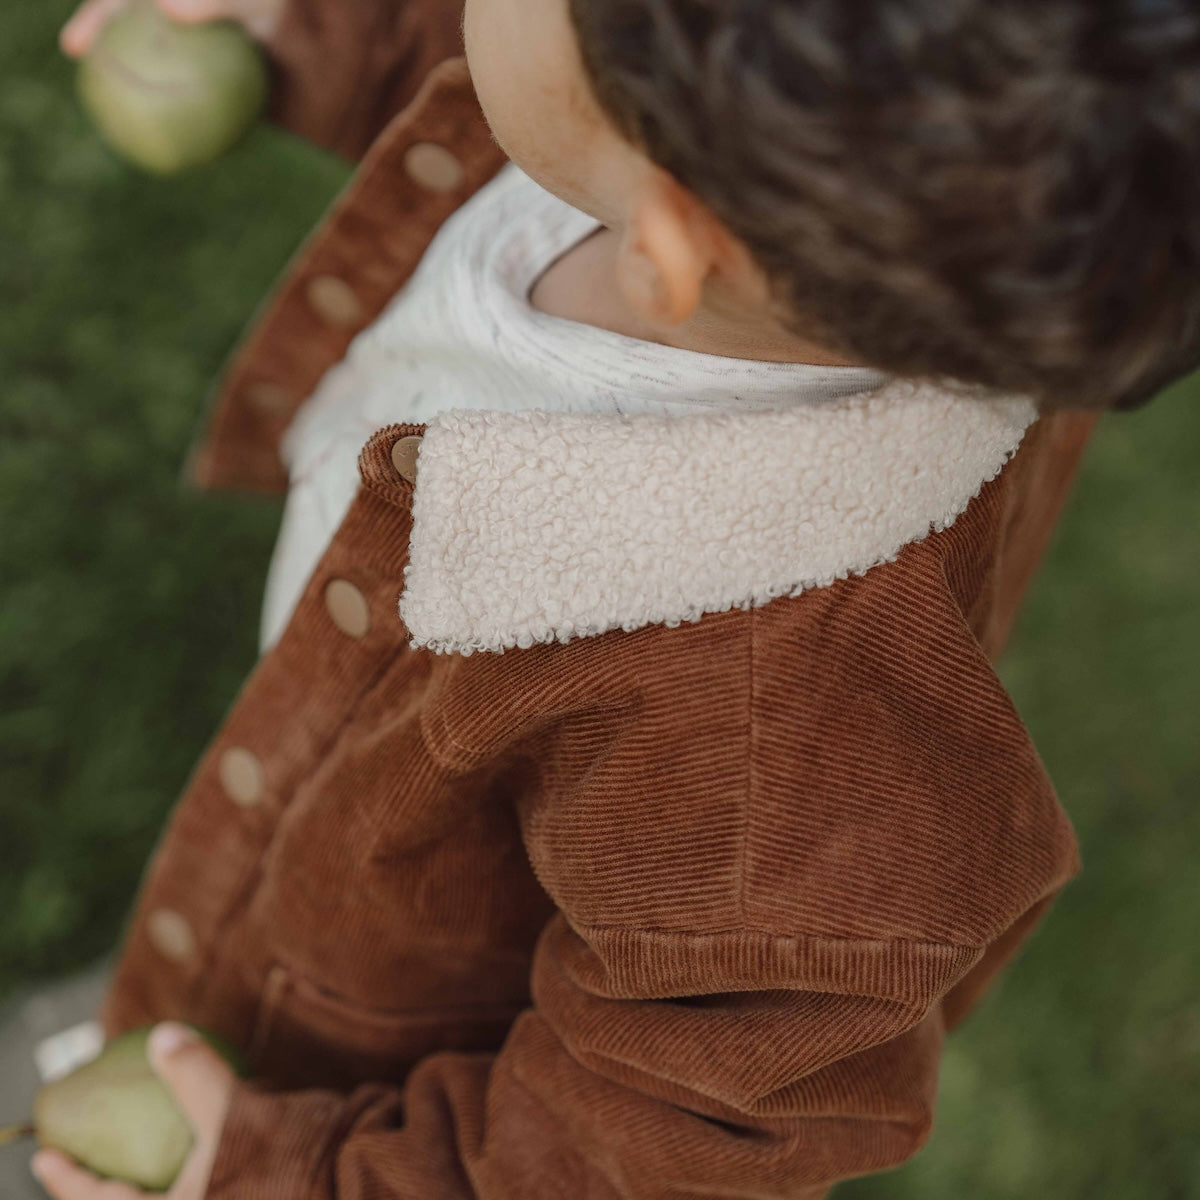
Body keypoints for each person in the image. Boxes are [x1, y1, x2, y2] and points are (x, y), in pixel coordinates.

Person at [37, 0, 1198, 1197]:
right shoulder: (898, 231)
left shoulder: (775, 741)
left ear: (675, 241)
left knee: (184, 1038)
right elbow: (536, 75)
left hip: (345, 1046)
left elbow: (697, 1121)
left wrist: (302, 1176)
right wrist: (307, 27)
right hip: (342, 771)